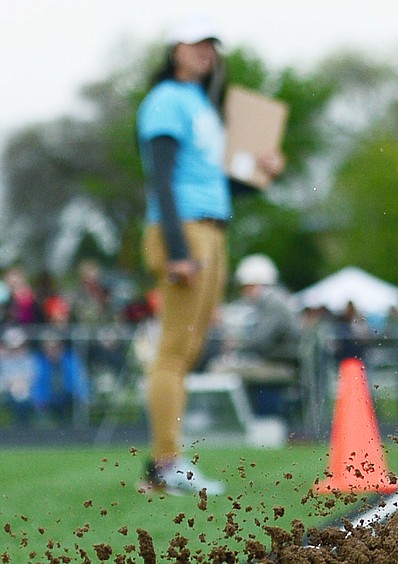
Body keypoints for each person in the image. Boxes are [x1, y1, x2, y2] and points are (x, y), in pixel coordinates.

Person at [136, 13, 285, 495]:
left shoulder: (200, 103)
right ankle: (165, 464)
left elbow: (216, 184)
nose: (206, 52)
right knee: (174, 352)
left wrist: (262, 171)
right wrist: (178, 250)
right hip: (185, 233)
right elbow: (162, 178)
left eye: (211, 45)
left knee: (188, 351)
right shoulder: (165, 100)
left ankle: (164, 464)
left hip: (211, 230)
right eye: (196, 43)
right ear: (175, 48)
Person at [211, 253, 301, 419]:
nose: (245, 292)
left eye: (248, 286)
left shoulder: (274, 304)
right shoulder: (277, 300)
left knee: (220, 369)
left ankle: (231, 420)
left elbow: (260, 341)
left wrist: (236, 345)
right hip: (281, 362)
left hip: (282, 365)